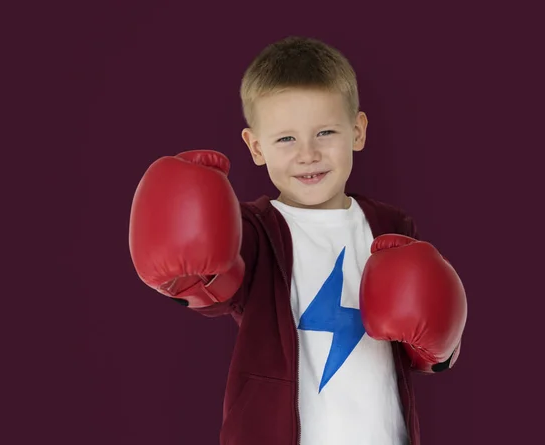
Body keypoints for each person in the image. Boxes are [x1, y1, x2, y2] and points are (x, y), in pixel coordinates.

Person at [128, 36, 467, 445]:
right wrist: (187, 275)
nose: (308, 154)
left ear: (357, 132)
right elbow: (216, 288)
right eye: (286, 139)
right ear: (256, 147)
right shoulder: (254, 229)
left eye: (325, 132)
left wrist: (440, 345)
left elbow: (429, 349)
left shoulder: (390, 227)